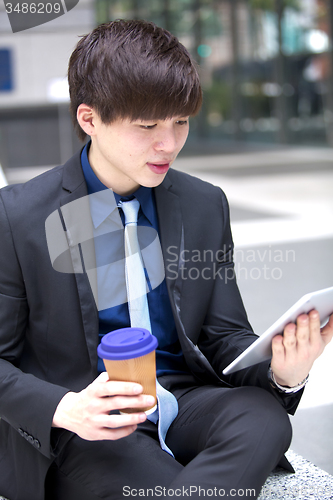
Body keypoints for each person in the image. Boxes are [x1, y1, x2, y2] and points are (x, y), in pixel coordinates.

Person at [0, 20, 332, 500]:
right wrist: (64, 408)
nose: (169, 144)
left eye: (180, 122)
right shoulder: (19, 215)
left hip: (183, 398)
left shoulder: (203, 203)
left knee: (262, 419)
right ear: (89, 119)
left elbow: (223, 337)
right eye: (148, 126)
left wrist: (284, 371)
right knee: (143, 475)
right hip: (92, 419)